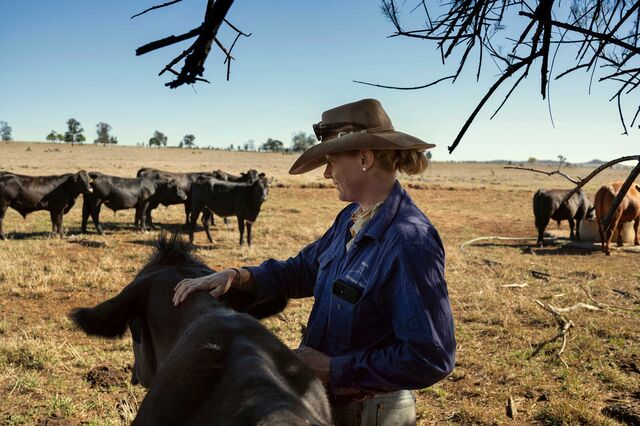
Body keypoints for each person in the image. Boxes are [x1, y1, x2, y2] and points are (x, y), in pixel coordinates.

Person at [173, 98, 456, 426]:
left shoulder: (409, 241)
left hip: (369, 413)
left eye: (331, 161)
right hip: (325, 402)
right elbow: (302, 270)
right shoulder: (351, 218)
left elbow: (431, 357)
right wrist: (238, 277)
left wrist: (331, 369)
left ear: (364, 158)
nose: (325, 173)